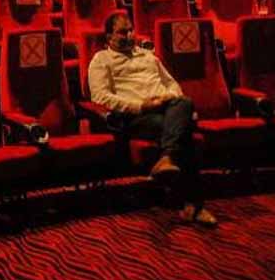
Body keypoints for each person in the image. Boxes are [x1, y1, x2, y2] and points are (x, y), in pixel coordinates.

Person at [87, 13, 217, 226]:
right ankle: (193, 204)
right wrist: (141, 105)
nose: (130, 35)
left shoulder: (148, 56)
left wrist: (167, 98)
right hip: (137, 116)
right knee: (183, 132)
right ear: (109, 36)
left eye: (131, 30)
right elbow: (100, 97)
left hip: (166, 108)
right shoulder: (101, 60)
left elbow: (172, 84)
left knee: (184, 102)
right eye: (123, 32)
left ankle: (167, 160)